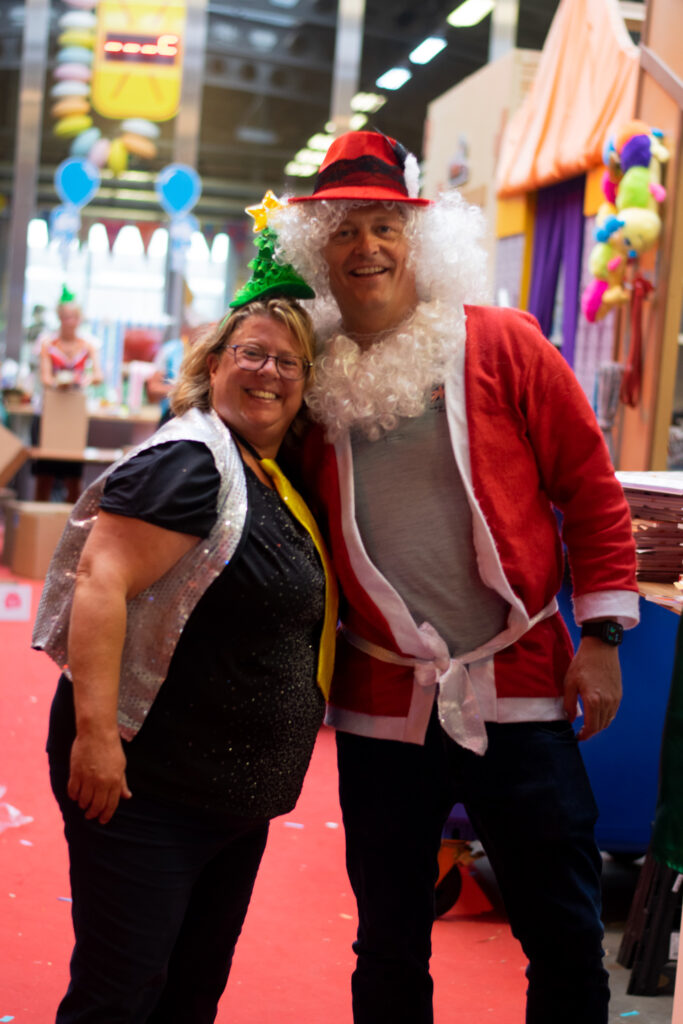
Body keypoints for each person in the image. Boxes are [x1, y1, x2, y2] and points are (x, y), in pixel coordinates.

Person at [273, 130, 640, 1024]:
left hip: (522, 688)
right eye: (342, 230)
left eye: (384, 227)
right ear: (317, 251)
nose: (365, 247)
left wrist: (600, 636)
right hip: (381, 704)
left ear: (419, 240)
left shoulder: (502, 342)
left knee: (562, 934)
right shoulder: (307, 375)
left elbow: (590, 488)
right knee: (388, 940)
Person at [32, 219, 337, 1023]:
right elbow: (101, 583)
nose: (269, 372)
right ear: (212, 364)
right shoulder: (191, 460)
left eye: (289, 362)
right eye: (252, 353)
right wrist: (97, 737)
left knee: (188, 993)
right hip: (148, 791)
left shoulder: (266, 472)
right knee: (119, 995)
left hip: (227, 801)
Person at [32, 287, 103, 502]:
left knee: (74, 475)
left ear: (79, 319)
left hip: (74, 412)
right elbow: (45, 378)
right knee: (44, 473)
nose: (69, 321)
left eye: (73, 317)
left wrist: (83, 380)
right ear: (59, 318)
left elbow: (98, 375)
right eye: (65, 317)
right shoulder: (48, 344)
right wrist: (60, 382)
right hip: (51, 411)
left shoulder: (87, 345)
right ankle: (40, 517)